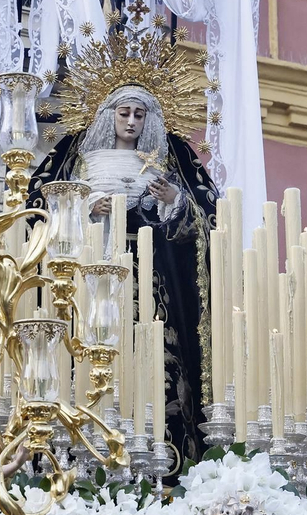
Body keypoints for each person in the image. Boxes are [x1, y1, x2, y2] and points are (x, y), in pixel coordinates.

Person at [28, 83, 218, 473]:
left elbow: (205, 215)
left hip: (148, 276)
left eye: (139, 115)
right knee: (84, 348)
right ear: (108, 115)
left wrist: (172, 202)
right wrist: (82, 207)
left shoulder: (168, 158)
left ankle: (159, 450)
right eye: (124, 113)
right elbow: (39, 208)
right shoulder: (77, 156)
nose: (131, 122)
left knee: (155, 354)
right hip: (88, 271)